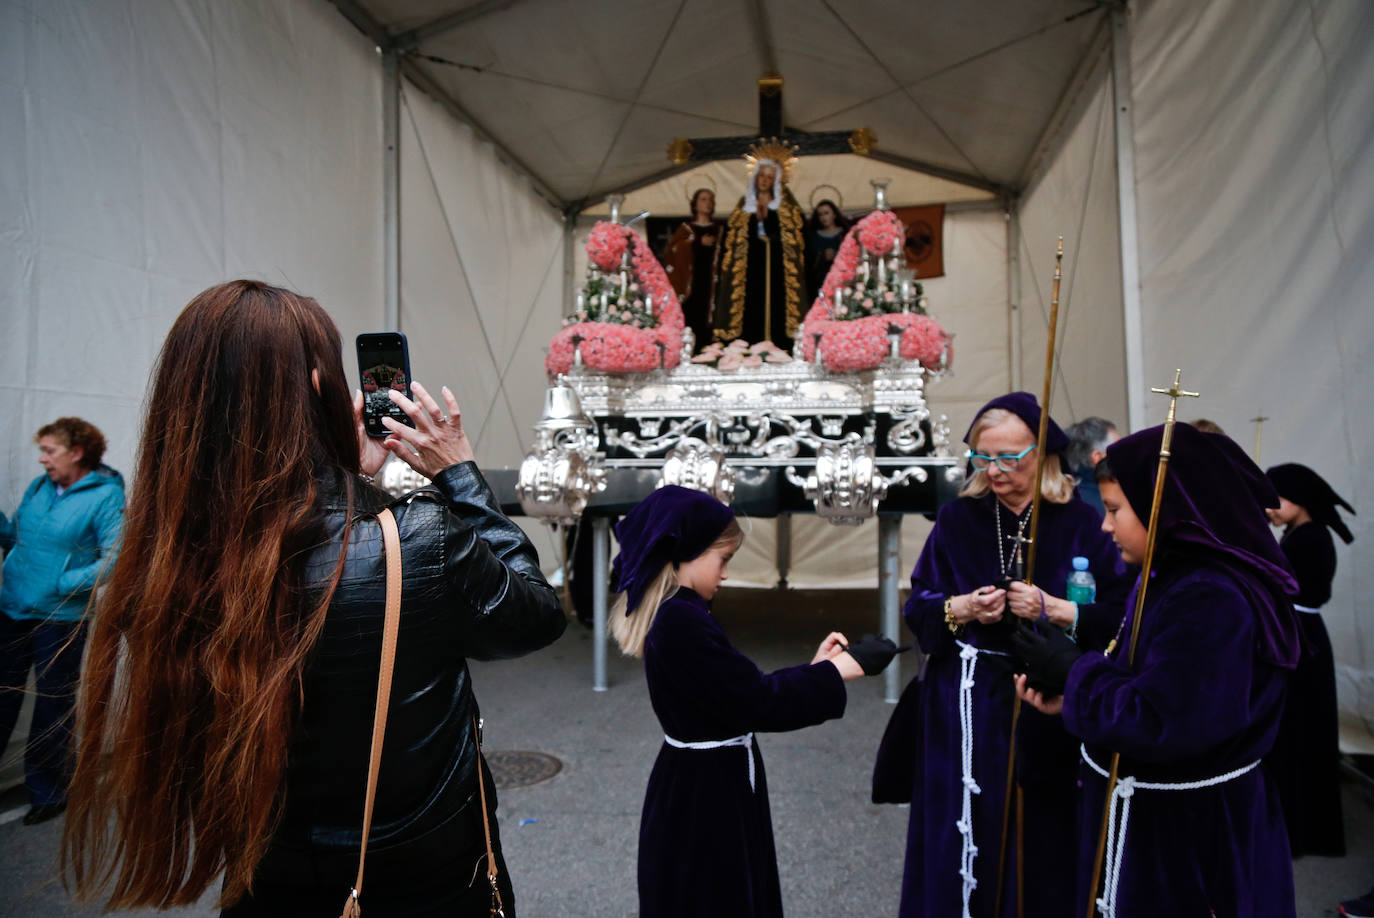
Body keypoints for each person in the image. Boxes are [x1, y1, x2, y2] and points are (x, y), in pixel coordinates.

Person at [62, 280, 566, 916]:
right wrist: (459, 473)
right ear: (324, 390)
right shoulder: (416, 538)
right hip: (419, 876)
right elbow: (534, 616)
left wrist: (344, 477)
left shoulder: (167, 560)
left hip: (265, 874)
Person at [1014, 423, 1301, 917]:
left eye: (1114, 511)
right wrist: (1075, 697)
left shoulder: (1210, 597)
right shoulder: (1169, 576)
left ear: (1164, 509)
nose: (1105, 527)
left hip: (1186, 838)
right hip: (1157, 816)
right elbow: (1150, 678)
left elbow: (1163, 719)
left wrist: (1075, 673)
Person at [881, 392, 1129, 918]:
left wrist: (1058, 608)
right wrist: (963, 606)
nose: (993, 471)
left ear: (1043, 456)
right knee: (964, 820)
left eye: (1008, 458)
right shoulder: (956, 519)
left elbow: (1123, 616)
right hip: (965, 708)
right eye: (982, 457)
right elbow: (921, 603)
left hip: (1047, 703)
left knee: (1038, 832)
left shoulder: (1084, 523)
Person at [610, 485, 900, 917]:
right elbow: (758, 701)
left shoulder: (679, 612)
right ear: (688, 551)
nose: (725, 574)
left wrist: (816, 669)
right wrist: (843, 669)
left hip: (701, 781)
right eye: (722, 560)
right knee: (713, 897)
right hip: (704, 795)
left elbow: (733, 689)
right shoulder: (681, 620)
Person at [0, 418, 124, 826]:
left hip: (61, 619)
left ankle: (48, 792)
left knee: (52, 708)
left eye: (50, 451)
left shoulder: (106, 496)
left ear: (77, 452)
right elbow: (19, 535)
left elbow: (114, 557)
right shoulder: (40, 487)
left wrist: (62, 583)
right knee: (2, 699)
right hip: (13, 608)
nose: (42, 458)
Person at [1263, 462, 1354, 858]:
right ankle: (1295, 824)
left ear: (1298, 500)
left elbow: (1295, 588)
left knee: (1302, 732)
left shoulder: (1311, 539)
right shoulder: (1297, 534)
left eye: (1276, 499)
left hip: (1304, 642)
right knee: (1296, 732)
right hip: (1300, 637)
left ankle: (1305, 830)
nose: (1270, 507)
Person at [714, 153, 806, 351]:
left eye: (769, 177)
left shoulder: (785, 207)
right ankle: (749, 345)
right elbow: (734, 241)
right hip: (751, 265)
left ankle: (781, 345)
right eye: (761, 176)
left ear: (776, 180)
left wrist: (769, 217)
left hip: (777, 265)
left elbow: (794, 240)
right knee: (750, 305)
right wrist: (754, 219)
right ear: (755, 178)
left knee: (778, 305)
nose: (765, 180)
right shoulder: (744, 206)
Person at [663, 187, 723, 353]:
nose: (708, 203)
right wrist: (696, 243)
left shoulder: (719, 230)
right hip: (690, 285)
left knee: (710, 322)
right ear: (695, 204)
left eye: (710, 200)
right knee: (691, 321)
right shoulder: (686, 229)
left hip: (711, 284)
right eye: (703, 199)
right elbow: (672, 250)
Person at [1064, 416, 1118, 516]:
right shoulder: (1107, 503)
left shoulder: (1061, 495)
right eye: (1118, 451)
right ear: (1098, 457)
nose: (1123, 457)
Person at [804, 198, 849, 303]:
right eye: (820, 214)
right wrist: (822, 256)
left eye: (826, 213)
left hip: (842, 280)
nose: (824, 217)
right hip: (821, 282)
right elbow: (809, 262)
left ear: (834, 215)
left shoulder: (844, 234)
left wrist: (836, 255)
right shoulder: (813, 237)